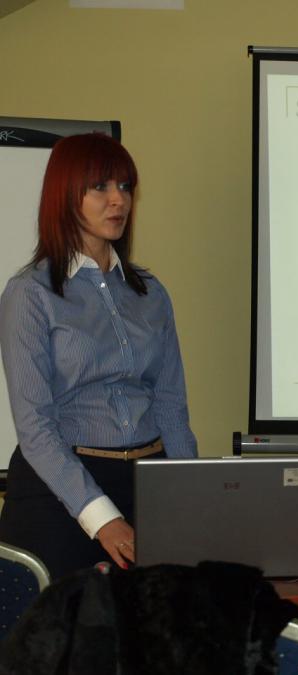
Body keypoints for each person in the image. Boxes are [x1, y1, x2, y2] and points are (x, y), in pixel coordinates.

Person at [0, 133, 197, 579]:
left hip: (147, 483)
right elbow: (35, 426)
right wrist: (101, 517)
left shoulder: (151, 293)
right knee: (69, 625)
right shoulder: (30, 294)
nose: (118, 200)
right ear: (65, 195)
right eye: (100, 187)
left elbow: (171, 407)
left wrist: (187, 495)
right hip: (61, 495)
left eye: (125, 187)